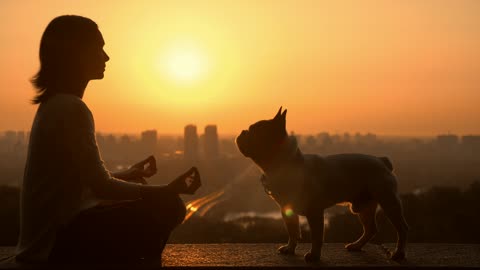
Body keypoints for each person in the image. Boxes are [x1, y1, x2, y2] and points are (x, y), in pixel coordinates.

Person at [15, 15, 201, 264]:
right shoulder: (71, 108)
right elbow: (101, 186)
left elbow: (82, 180)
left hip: (49, 239)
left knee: (146, 190)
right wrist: (167, 190)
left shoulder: (56, 104)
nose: (106, 57)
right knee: (170, 206)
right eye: (99, 48)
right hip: (55, 245)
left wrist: (129, 173)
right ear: (77, 54)